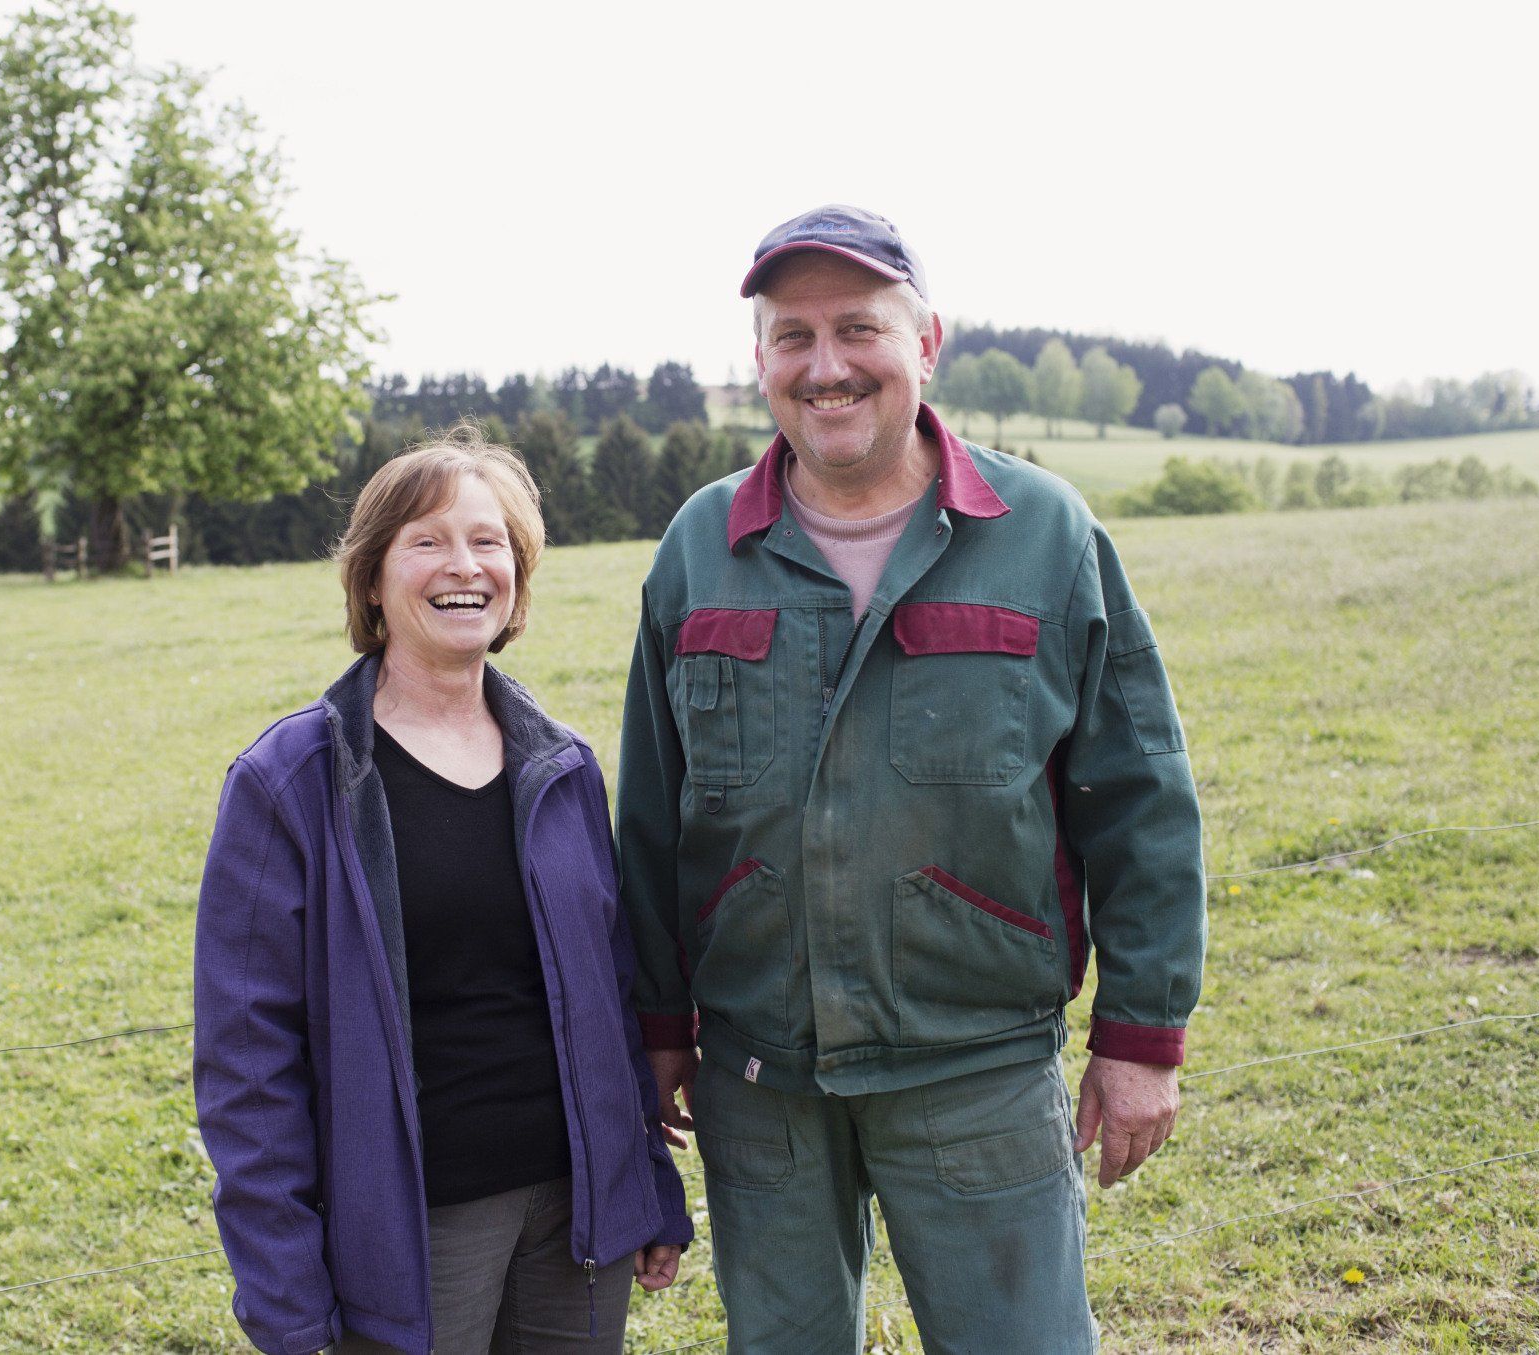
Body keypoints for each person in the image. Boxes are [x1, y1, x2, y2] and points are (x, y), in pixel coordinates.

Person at [615, 205, 1206, 1353]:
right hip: (758, 1073)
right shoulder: (698, 546)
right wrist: (657, 1019)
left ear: (926, 342)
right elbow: (651, 814)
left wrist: (1141, 1034)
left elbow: (1138, 793)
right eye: (793, 337)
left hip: (975, 1065)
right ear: (760, 363)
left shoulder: (1045, 532)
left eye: (859, 329)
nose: (826, 367)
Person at [195, 430, 691, 1355]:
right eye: (426, 540)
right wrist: (284, 1287)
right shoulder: (290, 780)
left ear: (517, 576)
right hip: (408, 1237)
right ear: (372, 579)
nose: (464, 564)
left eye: (489, 540)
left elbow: (608, 998)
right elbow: (245, 1062)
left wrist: (645, 1184)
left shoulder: (563, 766)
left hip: (576, 1221)